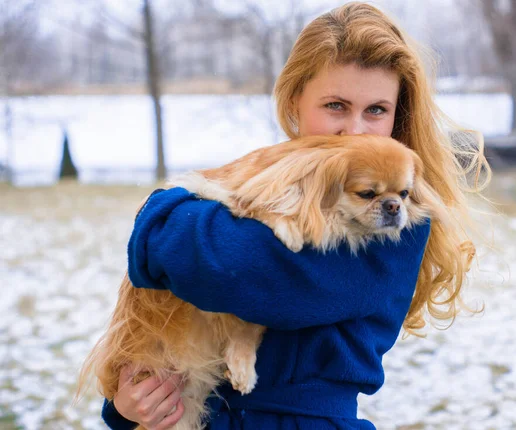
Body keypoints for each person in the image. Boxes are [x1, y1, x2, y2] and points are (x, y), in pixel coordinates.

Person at [101, 2, 488, 429]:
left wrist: (159, 215)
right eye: (336, 106)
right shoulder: (268, 180)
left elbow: (232, 272)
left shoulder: (396, 225)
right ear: (294, 101)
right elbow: (174, 322)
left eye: (376, 110)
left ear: (399, 116)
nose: (354, 131)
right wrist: (128, 406)